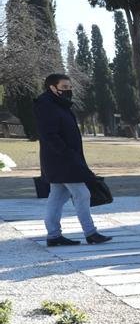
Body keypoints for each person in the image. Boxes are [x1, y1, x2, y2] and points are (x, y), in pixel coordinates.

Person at [34, 73, 111, 246]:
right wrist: (68, 153)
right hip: (62, 160)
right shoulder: (47, 105)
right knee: (82, 194)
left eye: (69, 87)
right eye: (64, 87)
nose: (68, 90)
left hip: (62, 159)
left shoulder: (58, 103)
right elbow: (49, 135)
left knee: (58, 197)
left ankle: (54, 236)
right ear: (52, 88)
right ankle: (91, 233)